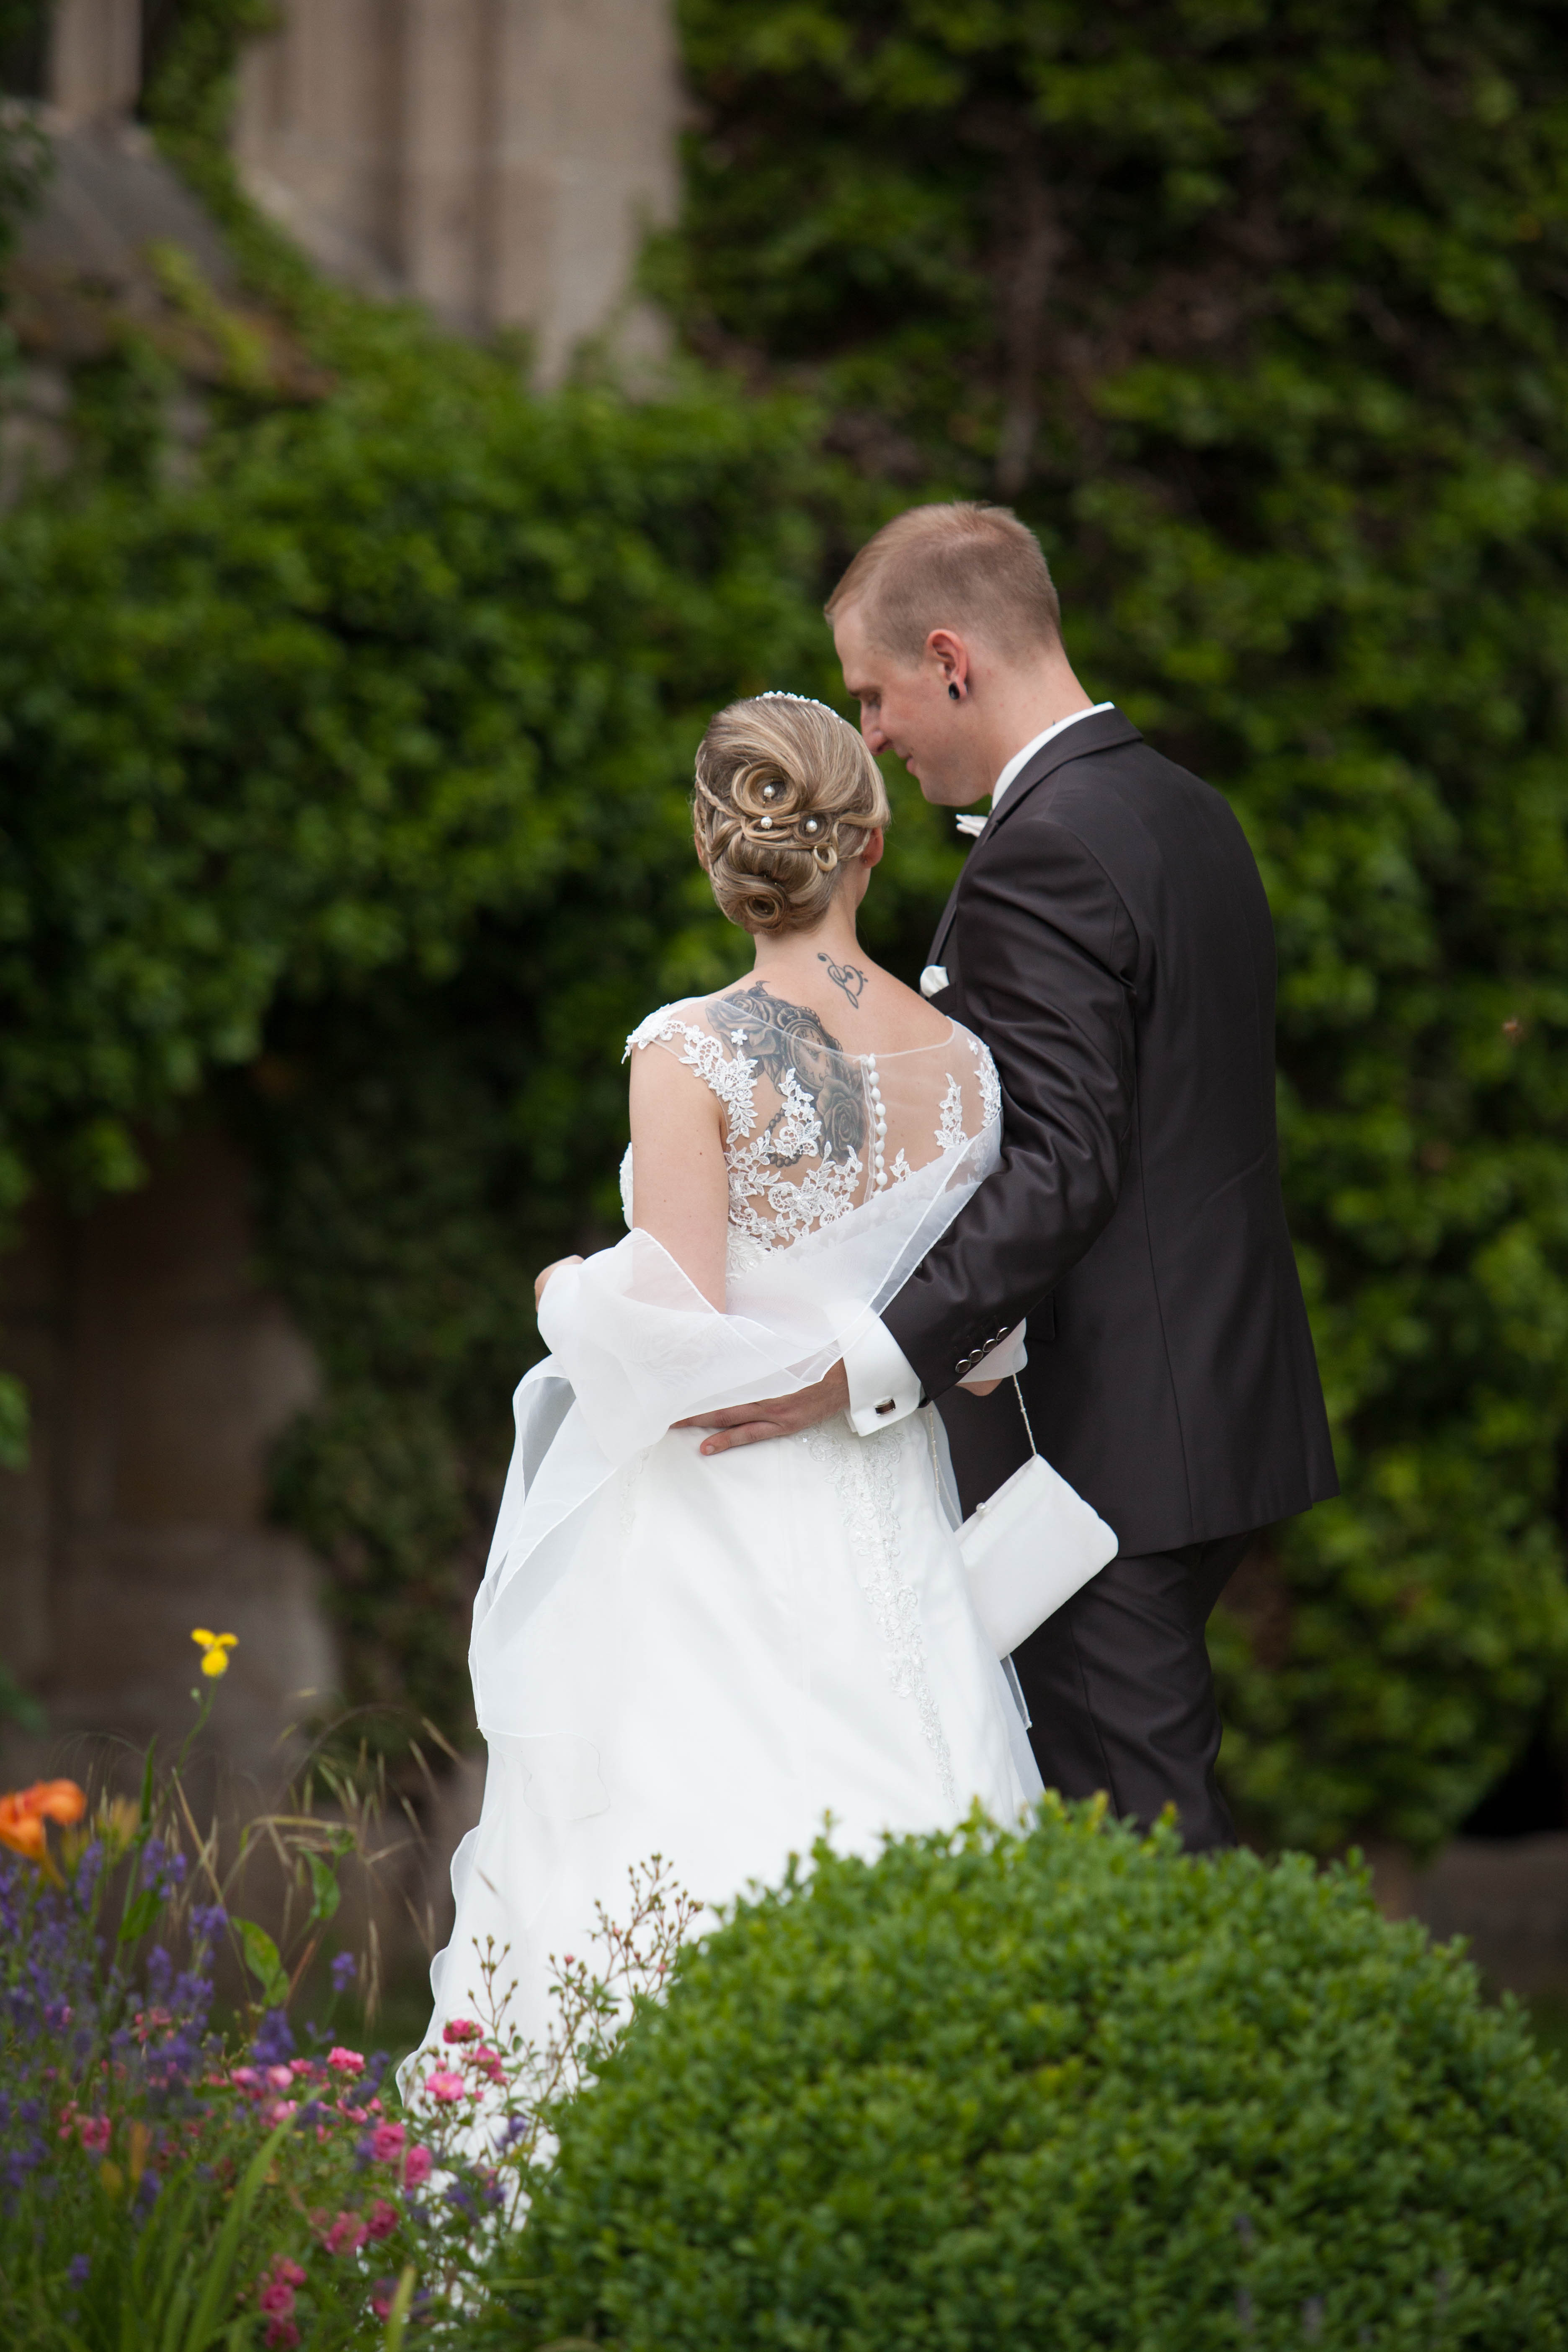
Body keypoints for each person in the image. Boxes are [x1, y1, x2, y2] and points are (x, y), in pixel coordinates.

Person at [687, 503, 1338, 1852]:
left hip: (1102, 1450)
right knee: (1127, 1826)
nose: (869, 734)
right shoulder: (1183, 809)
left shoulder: (1046, 846)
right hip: (1211, 1410)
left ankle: (1217, 2072)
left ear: (950, 658)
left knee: (1140, 1854)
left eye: (874, 694)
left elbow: (1063, 1161)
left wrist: (865, 1361)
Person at [419, 690, 1049, 2062]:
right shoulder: (970, 1069)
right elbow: (985, 1338)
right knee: (917, 1810)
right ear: (870, 840)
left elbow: (674, 1324)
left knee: (669, 1848)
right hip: (891, 1505)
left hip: (712, 1519)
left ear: (718, 854)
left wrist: (558, 1290)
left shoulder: (691, 1049)